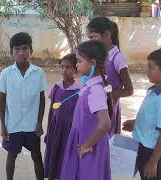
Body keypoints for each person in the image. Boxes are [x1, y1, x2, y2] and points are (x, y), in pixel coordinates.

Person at [123, 47, 161, 180]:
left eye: (151, 67)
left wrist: (153, 162)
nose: (147, 70)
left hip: (155, 153)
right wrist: (136, 123)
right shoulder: (154, 90)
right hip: (144, 146)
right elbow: (151, 117)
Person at [0, 32, 47, 180]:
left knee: (37, 156)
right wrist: (3, 125)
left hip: (32, 125)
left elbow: (42, 98)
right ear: (11, 53)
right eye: (17, 49)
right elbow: (2, 99)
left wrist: (39, 122)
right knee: (12, 155)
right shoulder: (6, 73)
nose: (21, 53)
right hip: (13, 124)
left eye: (25, 48)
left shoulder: (38, 73)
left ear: (31, 50)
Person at [60, 40, 112, 180]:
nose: (76, 65)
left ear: (93, 63)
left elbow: (105, 123)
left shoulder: (95, 90)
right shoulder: (90, 85)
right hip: (83, 140)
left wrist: (86, 145)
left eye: (79, 61)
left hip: (90, 146)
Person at [87, 17, 133, 137]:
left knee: (105, 141)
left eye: (93, 37)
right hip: (96, 105)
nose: (91, 41)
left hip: (109, 109)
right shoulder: (96, 56)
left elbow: (129, 90)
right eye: (89, 38)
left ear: (107, 35)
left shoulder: (117, 58)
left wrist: (109, 95)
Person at [44, 53, 80, 180]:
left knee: (65, 160)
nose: (64, 70)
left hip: (69, 132)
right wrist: (48, 131)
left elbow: (79, 118)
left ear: (76, 69)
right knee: (53, 157)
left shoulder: (78, 93)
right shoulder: (56, 88)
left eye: (68, 67)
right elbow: (51, 111)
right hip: (55, 130)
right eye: (62, 67)